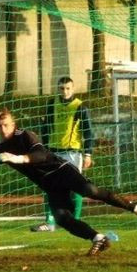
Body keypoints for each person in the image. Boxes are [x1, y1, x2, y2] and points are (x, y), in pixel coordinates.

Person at [0, 107, 137, 256]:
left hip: (61, 171)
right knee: (61, 218)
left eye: (6, 125)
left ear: (13, 124)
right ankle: (98, 239)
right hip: (50, 186)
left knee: (89, 190)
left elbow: (40, 154)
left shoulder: (25, 136)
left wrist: (18, 158)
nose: (3, 129)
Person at [32, 75, 93, 232]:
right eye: (61, 88)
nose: (64, 91)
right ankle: (49, 222)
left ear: (73, 89)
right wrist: (43, 149)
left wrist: (88, 154)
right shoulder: (52, 104)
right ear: (57, 89)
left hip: (73, 153)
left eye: (67, 88)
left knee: (76, 187)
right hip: (54, 152)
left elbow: (88, 132)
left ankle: (76, 220)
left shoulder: (80, 106)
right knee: (49, 186)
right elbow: (46, 128)